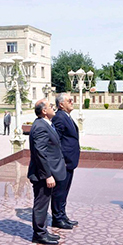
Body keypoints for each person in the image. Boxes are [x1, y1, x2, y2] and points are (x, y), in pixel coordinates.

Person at [28, 98, 66, 245]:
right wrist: (48, 175)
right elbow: (40, 153)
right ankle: (39, 234)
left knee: (43, 204)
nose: (53, 108)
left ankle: (43, 231)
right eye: (51, 106)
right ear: (44, 111)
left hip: (46, 172)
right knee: (41, 205)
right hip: (41, 175)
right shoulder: (40, 126)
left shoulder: (45, 123)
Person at [51, 93, 80, 229]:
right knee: (59, 191)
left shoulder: (66, 116)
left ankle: (62, 215)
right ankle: (57, 218)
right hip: (64, 162)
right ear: (61, 104)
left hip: (70, 161)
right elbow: (56, 141)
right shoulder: (59, 117)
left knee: (65, 191)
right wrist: (60, 160)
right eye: (69, 100)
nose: (72, 102)